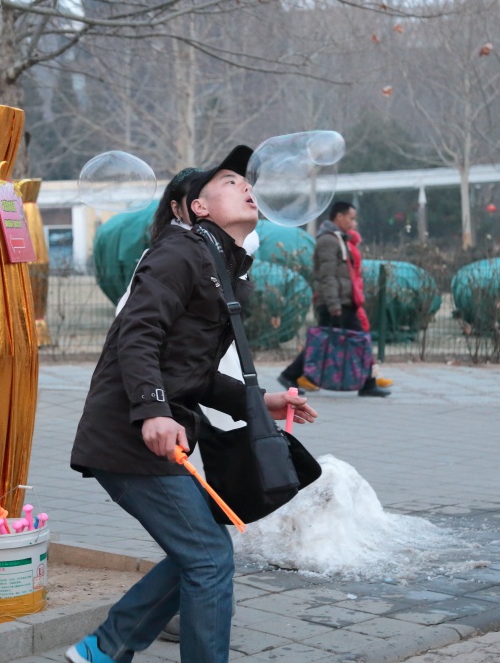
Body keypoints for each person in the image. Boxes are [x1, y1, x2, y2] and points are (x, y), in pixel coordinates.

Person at [67, 146, 317, 663]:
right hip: (129, 433)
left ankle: (104, 648)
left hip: (154, 430)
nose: (246, 186)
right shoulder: (178, 252)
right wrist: (154, 410)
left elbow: (195, 372)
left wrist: (257, 401)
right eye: (229, 181)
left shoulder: (221, 265)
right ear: (197, 207)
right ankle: (105, 647)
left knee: (197, 552)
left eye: (245, 181)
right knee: (208, 556)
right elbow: (137, 335)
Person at [278, 201, 390, 397]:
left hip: (343, 301)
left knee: (330, 342)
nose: (354, 223)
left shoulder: (339, 239)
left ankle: (291, 374)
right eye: (351, 218)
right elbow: (327, 275)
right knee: (340, 342)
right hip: (335, 304)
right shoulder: (328, 241)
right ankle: (367, 383)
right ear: (339, 217)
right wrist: (334, 305)